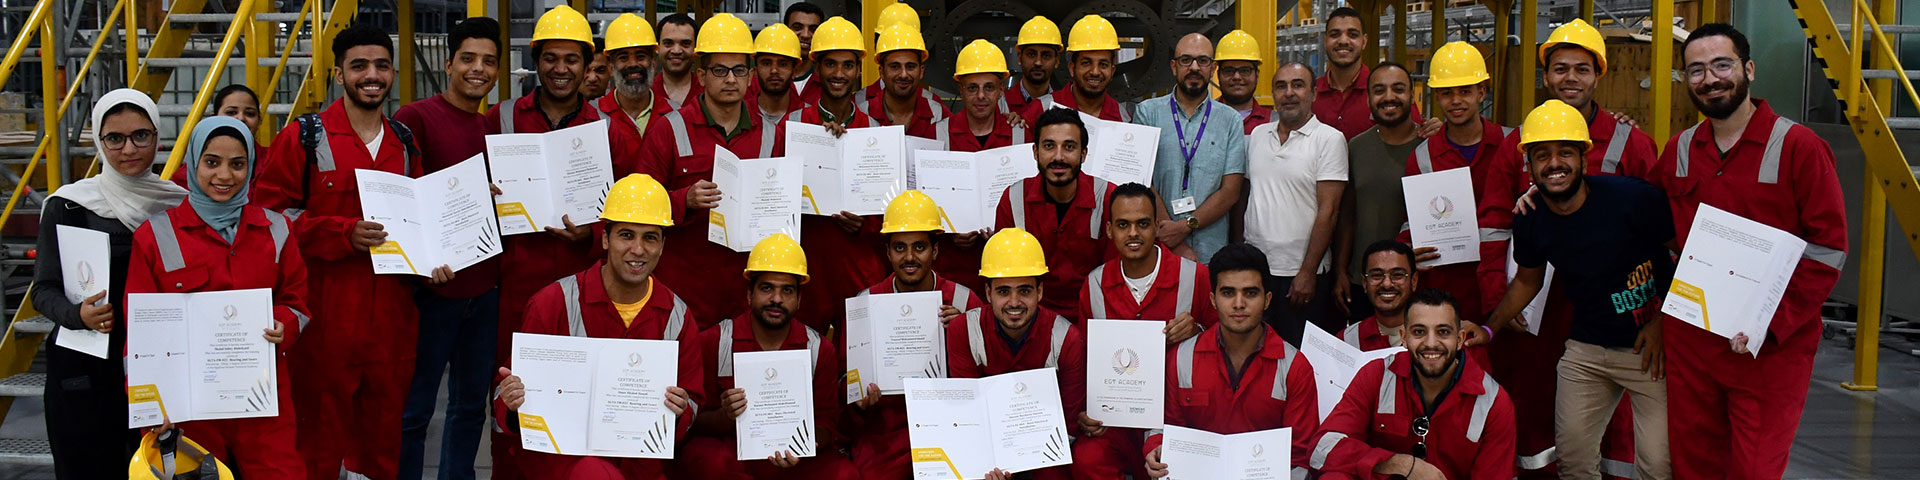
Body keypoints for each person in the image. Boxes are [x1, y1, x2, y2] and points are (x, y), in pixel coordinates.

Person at [1651, 23, 1847, 479]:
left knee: (1755, 470)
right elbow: (1639, 215)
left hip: (1767, 352)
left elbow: (1828, 249)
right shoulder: (1680, 149)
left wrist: (1770, 326)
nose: (1710, 78)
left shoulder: (1799, 148)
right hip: (1693, 345)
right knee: (1694, 467)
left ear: (1749, 69)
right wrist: (1537, 194)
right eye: (1695, 70)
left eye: (1722, 64)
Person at [1475, 21, 1656, 477]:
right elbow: (1493, 227)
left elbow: (1663, 239)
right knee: (1538, 404)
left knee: (1618, 421)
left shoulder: (1630, 142)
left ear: (1598, 75)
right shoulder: (1520, 140)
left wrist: (1657, 316)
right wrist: (1496, 298)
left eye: (1581, 68)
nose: (1570, 78)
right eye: (1560, 69)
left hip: (1618, 308)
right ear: (1547, 76)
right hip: (1538, 307)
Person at [251, 22, 423, 479]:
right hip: (325, 326)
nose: (372, 75)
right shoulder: (304, 139)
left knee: (382, 451)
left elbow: (422, 223)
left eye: (382, 66)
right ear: (338, 73)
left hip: (391, 325)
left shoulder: (405, 144)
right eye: (359, 65)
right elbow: (266, 221)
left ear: (393, 73)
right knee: (317, 449)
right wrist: (339, 233)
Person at [485, 9, 648, 473]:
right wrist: (489, 193)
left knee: (581, 399)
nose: (561, 69)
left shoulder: (609, 130)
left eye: (572, 60)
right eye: (551, 58)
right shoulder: (501, 119)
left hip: (586, 288)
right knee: (513, 395)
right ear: (536, 60)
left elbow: (630, 207)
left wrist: (592, 232)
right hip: (517, 282)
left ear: (587, 64)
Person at [126, 117, 308, 478]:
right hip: (188, 407)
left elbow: (297, 301)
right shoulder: (155, 236)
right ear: (193, 164)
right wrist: (150, 406)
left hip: (262, 399)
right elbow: (139, 333)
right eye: (212, 162)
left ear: (250, 167)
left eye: (237, 164)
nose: (224, 175)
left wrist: (282, 323)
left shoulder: (276, 228)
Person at [493, 174, 704, 479]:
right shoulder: (552, 303)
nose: (638, 249)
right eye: (626, 235)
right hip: (565, 463)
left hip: (639, 463)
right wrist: (511, 403)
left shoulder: (677, 316)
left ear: (662, 246)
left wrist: (682, 408)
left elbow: (693, 404)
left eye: (650, 237)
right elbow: (504, 400)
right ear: (605, 239)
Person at [31, 89, 187, 480]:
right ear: (100, 142)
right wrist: (76, 314)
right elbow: (43, 289)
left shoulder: (178, 205)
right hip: (85, 372)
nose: (128, 148)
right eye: (114, 138)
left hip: (157, 367)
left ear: (158, 137)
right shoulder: (69, 206)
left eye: (141, 135)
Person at [390, 16, 501, 480]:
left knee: (470, 408)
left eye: (489, 61)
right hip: (432, 291)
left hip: (486, 285)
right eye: (469, 59)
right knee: (413, 412)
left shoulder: (491, 126)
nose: (479, 69)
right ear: (449, 62)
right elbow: (399, 200)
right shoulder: (414, 118)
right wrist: (421, 262)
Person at [1072, 182, 1219, 480]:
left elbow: (1224, 347)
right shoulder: (1095, 284)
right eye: (1124, 225)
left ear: (1156, 226)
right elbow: (1086, 359)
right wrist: (1085, 412)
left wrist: (1198, 330)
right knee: (1088, 459)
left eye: (1142, 224)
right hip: (1118, 420)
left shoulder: (1196, 277)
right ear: (1110, 230)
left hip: (1179, 418)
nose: (1134, 234)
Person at [636, 13, 774, 327]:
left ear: (751, 76)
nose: (730, 79)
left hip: (745, 298)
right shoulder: (667, 130)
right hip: (682, 296)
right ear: (701, 75)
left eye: (739, 70)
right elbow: (638, 209)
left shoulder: (771, 135)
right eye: (720, 70)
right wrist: (684, 199)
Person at [1141, 243, 1318, 479]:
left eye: (1250, 293)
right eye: (1228, 292)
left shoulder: (1295, 366)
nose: (1238, 304)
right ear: (1213, 300)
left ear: (1267, 300)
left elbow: (1300, 456)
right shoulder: (1180, 358)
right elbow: (1165, 426)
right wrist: (1156, 447)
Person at [683, 233, 852, 478]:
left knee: (842, 473)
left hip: (796, 459)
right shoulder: (715, 341)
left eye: (787, 291)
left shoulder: (819, 349)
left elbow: (826, 424)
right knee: (706, 459)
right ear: (749, 295)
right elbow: (693, 421)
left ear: (799, 299)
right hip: (734, 454)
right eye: (766, 288)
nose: (776, 299)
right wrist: (725, 416)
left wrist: (803, 444)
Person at [845, 191, 985, 480]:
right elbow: (843, 384)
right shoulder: (866, 303)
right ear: (887, 252)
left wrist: (966, 332)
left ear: (935, 250)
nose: (909, 258)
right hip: (886, 430)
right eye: (899, 247)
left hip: (953, 423)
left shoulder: (965, 300)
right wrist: (859, 402)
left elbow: (990, 375)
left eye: (919, 247)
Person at [1309, 289, 1516, 479]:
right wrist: (1397, 463)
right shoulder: (1376, 375)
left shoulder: (1494, 404)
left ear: (1460, 339)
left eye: (1443, 332)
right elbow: (1321, 448)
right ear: (1404, 337)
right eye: (1419, 332)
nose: (1431, 343)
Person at [777, 15, 891, 333]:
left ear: (858, 70)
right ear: (817, 67)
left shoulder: (877, 133)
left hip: (861, 274)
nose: (839, 74)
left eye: (847, 65)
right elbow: (771, 203)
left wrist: (865, 225)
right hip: (805, 273)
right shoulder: (793, 127)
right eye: (830, 64)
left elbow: (892, 215)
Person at [944, 228, 1084, 480]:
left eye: (1025, 290)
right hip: (985, 451)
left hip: (1045, 453)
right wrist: (997, 462)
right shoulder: (962, 331)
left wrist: (1022, 460)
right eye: (1003, 291)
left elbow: (1069, 423)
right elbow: (966, 411)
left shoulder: (1067, 339)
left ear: (1040, 291)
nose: (1014, 302)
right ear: (987, 293)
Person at [1399, 41, 1509, 327]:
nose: (1456, 100)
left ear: (1482, 92)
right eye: (1447, 93)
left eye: (1465, 91)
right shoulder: (1423, 157)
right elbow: (1412, 221)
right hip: (1446, 289)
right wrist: (1410, 252)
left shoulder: (1512, 144)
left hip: (1505, 286)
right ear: (1437, 97)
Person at [1243, 62, 1347, 344]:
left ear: (1313, 93)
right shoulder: (1257, 136)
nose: (1289, 93)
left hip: (1299, 277)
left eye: (1298, 85)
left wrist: (1307, 272)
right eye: (1281, 86)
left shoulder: (1329, 140)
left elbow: (1329, 211)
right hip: (1257, 272)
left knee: (1296, 358)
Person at [994, 108, 1120, 322]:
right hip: (1030, 319)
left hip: (1095, 317)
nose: (1058, 157)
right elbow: (1004, 276)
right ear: (1035, 152)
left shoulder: (1108, 197)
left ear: (1084, 154)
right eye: (1049, 146)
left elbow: (1117, 277)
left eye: (1069, 147)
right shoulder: (1014, 198)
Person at [1133, 33, 1247, 262]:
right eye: (1186, 60)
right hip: (1158, 246)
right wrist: (1172, 238)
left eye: (1203, 61)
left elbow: (1230, 191)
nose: (1194, 67)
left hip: (1211, 251)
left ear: (1213, 68)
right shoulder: (1148, 113)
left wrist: (1185, 226)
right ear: (1174, 66)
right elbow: (1142, 179)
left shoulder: (1230, 120)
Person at [1333, 62, 1420, 323]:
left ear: (1412, 95)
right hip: (1365, 281)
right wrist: (1340, 272)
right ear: (1369, 98)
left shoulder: (1430, 145)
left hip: (1415, 280)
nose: (1389, 97)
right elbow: (1348, 216)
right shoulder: (1357, 147)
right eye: (1379, 90)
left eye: (1399, 89)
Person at [1020, 15, 1132, 127]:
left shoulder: (1122, 118)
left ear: (1112, 71)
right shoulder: (1040, 110)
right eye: (1086, 63)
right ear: (1072, 68)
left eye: (1103, 65)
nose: (1095, 72)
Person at [171, 84, 270, 187]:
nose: (241, 118)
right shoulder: (192, 171)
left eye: (250, 114)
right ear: (214, 118)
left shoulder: (273, 161)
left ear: (259, 120)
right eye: (231, 112)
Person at [867, 25, 949, 138]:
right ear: (881, 72)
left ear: (921, 71)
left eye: (910, 66)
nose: (904, 74)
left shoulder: (939, 114)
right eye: (895, 67)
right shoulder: (863, 113)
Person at [596, 13, 665, 138]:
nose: (633, 64)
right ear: (611, 68)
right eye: (623, 57)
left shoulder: (674, 114)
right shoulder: (593, 115)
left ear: (654, 64)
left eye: (640, 56)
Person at [1343, 240, 1419, 351]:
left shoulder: (1432, 336)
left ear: (1414, 281)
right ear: (1364, 283)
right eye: (1377, 275)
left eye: (1397, 275)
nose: (1387, 284)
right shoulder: (1348, 340)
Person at [1214, 30, 1270, 133]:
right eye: (1229, 71)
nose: (1237, 77)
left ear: (1257, 74)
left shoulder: (1273, 123)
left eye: (1245, 71)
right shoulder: (1204, 119)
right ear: (1218, 75)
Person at [748, 23, 804, 126]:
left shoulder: (812, 118)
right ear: (755, 70)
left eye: (783, 64)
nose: (774, 70)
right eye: (766, 63)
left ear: (795, 70)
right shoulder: (739, 114)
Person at [1006, 16, 1062, 114]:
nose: (1038, 62)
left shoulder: (1065, 106)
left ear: (1057, 61)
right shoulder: (1002, 104)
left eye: (1046, 55)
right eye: (1031, 54)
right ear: (1019, 58)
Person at [653, 14, 702, 111]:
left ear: (695, 48)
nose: (676, 51)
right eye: (668, 43)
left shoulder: (708, 92)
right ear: (658, 47)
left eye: (685, 44)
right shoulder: (645, 93)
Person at [783, 2, 825, 89]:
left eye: (813, 29)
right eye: (797, 28)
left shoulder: (827, 82)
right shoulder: (763, 79)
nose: (805, 35)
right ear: (785, 30)